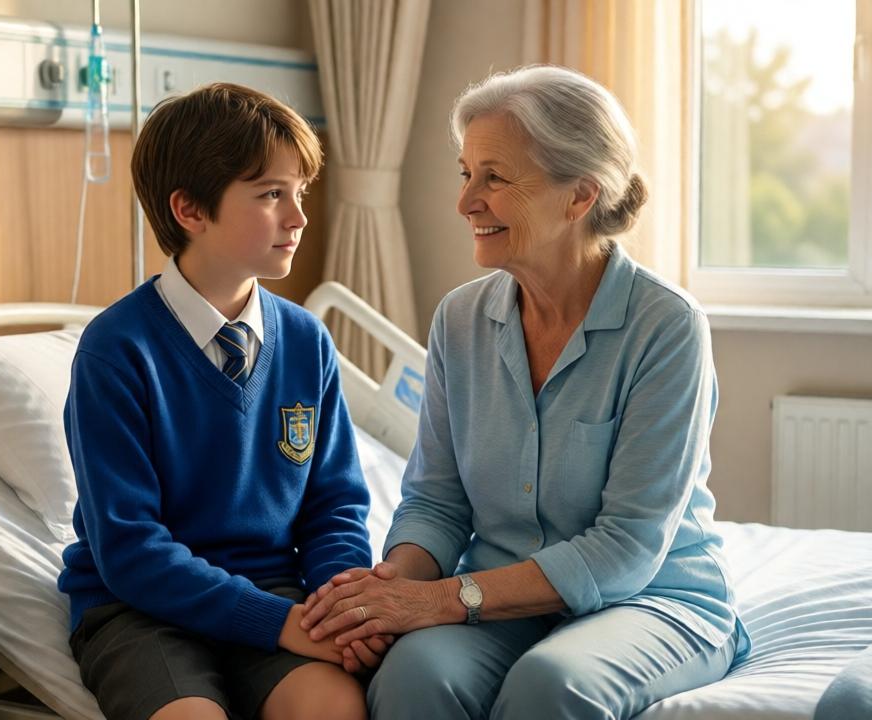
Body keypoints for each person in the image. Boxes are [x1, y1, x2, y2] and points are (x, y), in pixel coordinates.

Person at [301, 65, 750, 719]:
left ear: (579, 196)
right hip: (501, 597)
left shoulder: (666, 327)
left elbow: (626, 545)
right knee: (410, 676)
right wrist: (388, 595)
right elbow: (437, 502)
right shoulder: (460, 320)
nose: (465, 202)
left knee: (550, 683)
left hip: (650, 597)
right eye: (466, 173)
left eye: (495, 178)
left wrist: (440, 601)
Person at [58, 83, 374, 720]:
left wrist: (341, 605)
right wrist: (278, 623)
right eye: (270, 194)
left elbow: (334, 503)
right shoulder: (117, 350)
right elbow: (131, 549)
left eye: (299, 193)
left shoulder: (306, 339)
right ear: (190, 210)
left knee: (334, 710)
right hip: (141, 609)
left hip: (278, 592)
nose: (298, 217)